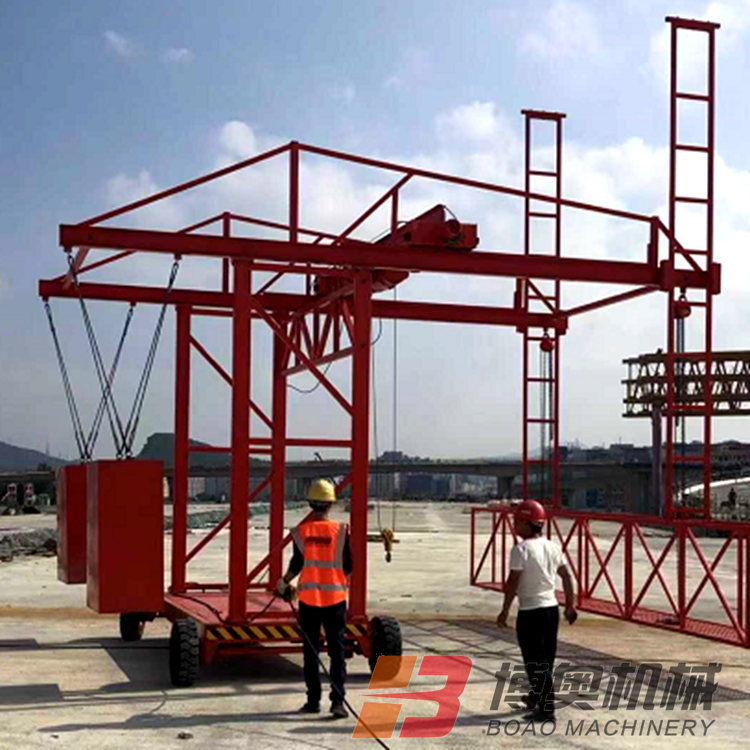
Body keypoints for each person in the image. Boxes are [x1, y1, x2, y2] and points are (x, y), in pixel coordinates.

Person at [276, 478, 351, 719]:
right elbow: (349, 565)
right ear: (330, 504)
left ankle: (313, 701)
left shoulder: (302, 533)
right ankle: (337, 702)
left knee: (311, 652)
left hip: (309, 600)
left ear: (310, 504)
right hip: (335, 599)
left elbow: (297, 563)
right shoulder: (341, 532)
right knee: (337, 651)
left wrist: (284, 582)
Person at [496, 500, 577, 722]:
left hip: (531, 611)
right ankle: (536, 696)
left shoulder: (520, 549)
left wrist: (504, 611)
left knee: (534, 661)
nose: (514, 525)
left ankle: (547, 709)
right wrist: (570, 605)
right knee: (546, 659)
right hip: (551, 610)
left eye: (516, 521)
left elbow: (512, 582)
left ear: (526, 522)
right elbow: (567, 576)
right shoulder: (553, 547)